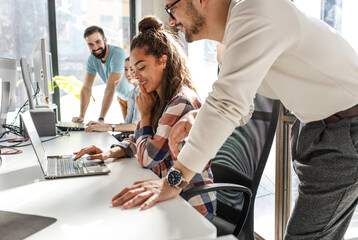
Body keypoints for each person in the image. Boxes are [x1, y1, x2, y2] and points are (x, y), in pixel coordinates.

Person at [112, 0, 358, 239]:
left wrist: (174, 181)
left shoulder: (256, 9)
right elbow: (243, 107)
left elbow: (227, 104)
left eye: (172, 7)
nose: (170, 19)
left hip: (346, 128)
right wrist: (195, 117)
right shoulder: (228, 44)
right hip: (313, 128)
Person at [74, 16, 216, 220]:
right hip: (169, 195)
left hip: (193, 206)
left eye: (141, 67)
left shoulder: (180, 103)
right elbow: (137, 139)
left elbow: (148, 157)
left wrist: (147, 115)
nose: (135, 75)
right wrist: (112, 151)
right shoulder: (159, 97)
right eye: (133, 69)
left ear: (163, 61)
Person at [72, 26, 133, 123]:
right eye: (90, 44)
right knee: (128, 134)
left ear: (105, 39)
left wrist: (101, 119)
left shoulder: (117, 55)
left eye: (98, 42)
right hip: (122, 99)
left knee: (135, 133)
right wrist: (81, 116)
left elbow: (111, 87)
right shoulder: (92, 59)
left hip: (136, 98)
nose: (95, 47)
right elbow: (86, 88)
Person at [84, 57, 140, 133]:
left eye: (132, 69)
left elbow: (137, 126)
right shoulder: (132, 93)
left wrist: (109, 128)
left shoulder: (144, 93)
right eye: (125, 69)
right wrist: (102, 125)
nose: (127, 74)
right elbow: (127, 124)